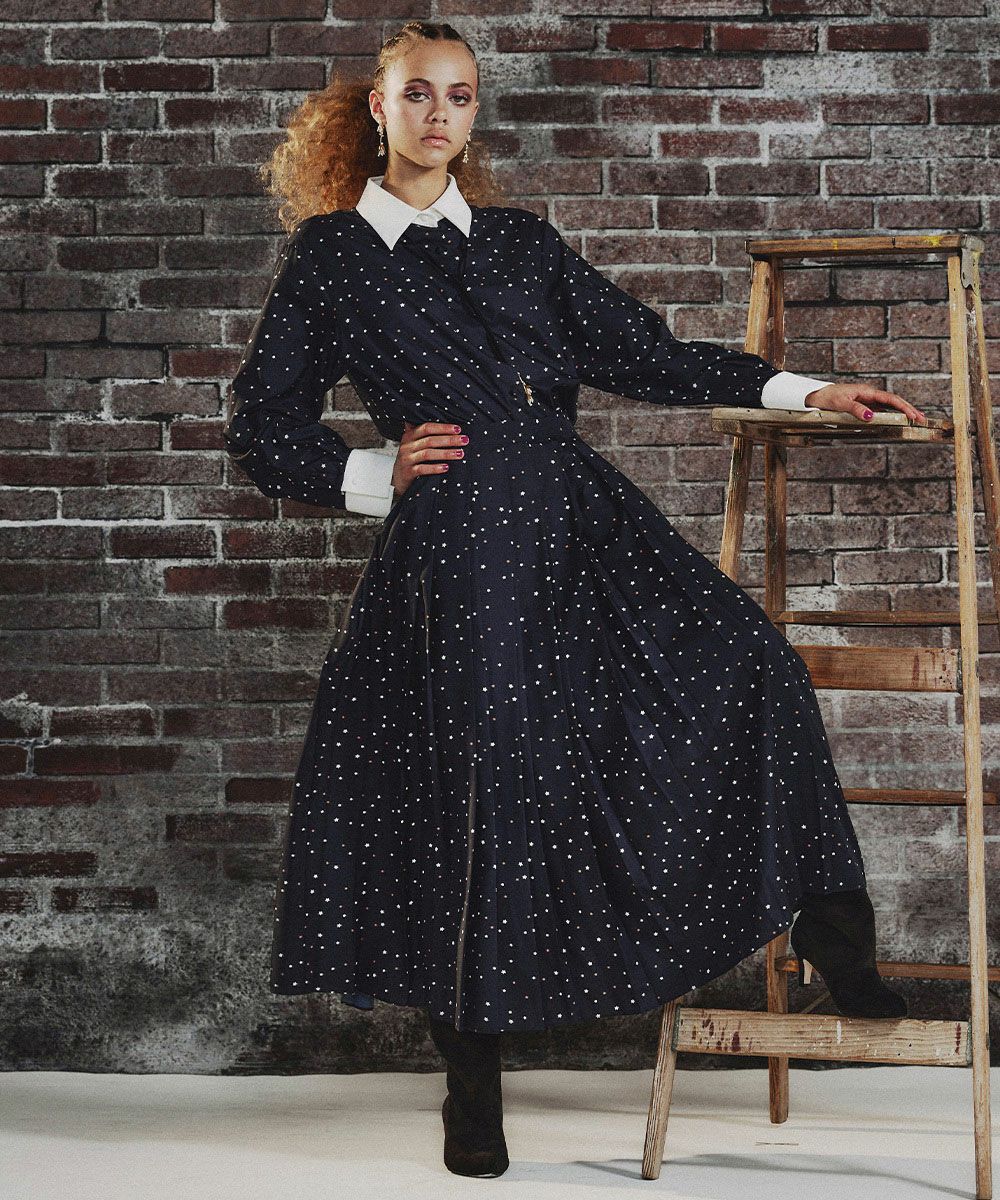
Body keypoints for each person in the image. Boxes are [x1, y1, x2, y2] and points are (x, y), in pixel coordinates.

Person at [224, 20, 923, 1179]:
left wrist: (802, 388)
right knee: (478, 793)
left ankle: (835, 932)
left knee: (754, 661)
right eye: (418, 94)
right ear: (377, 110)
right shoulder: (333, 254)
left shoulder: (520, 242)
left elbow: (646, 354)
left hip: (581, 521)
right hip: (460, 547)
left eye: (459, 96)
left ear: (474, 112)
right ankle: (471, 1091)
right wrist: (373, 473)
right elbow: (261, 423)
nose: (440, 115)